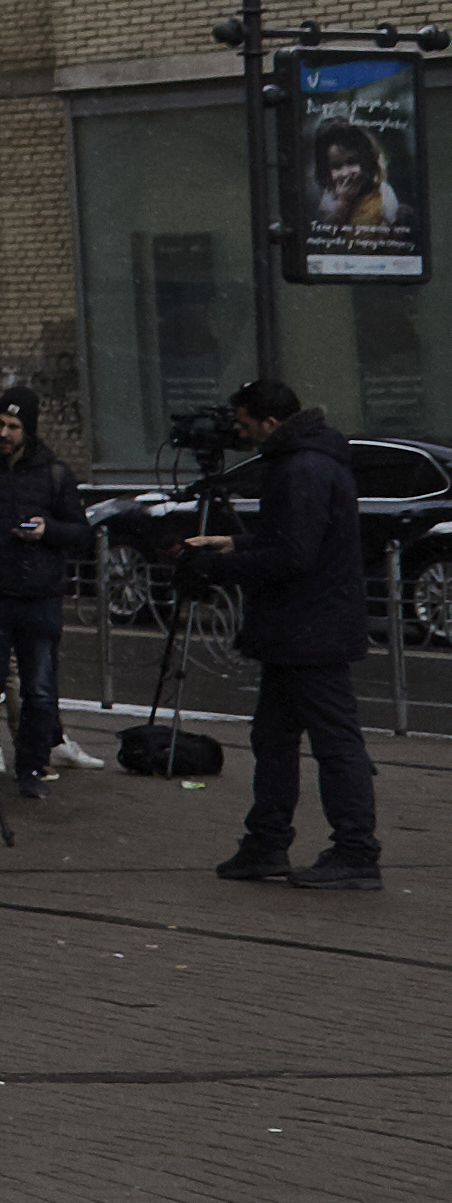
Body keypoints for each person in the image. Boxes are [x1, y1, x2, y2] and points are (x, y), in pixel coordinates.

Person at [182, 377, 381, 890]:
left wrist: (221, 565)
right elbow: (291, 541)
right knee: (275, 738)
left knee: (333, 743)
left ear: (270, 423)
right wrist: (233, 546)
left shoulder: (301, 468)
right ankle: (268, 841)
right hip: (301, 628)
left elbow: (293, 555)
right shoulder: (308, 460)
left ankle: (354, 850)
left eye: (245, 422)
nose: (240, 432)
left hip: (308, 630)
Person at [0, 392, 80, 805]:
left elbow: (80, 532)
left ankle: (32, 768)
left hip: (39, 596)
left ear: (29, 430)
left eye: (13, 427)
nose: (3, 433)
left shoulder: (55, 473)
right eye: (0, 425)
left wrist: (48, 531)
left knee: (38, 691)